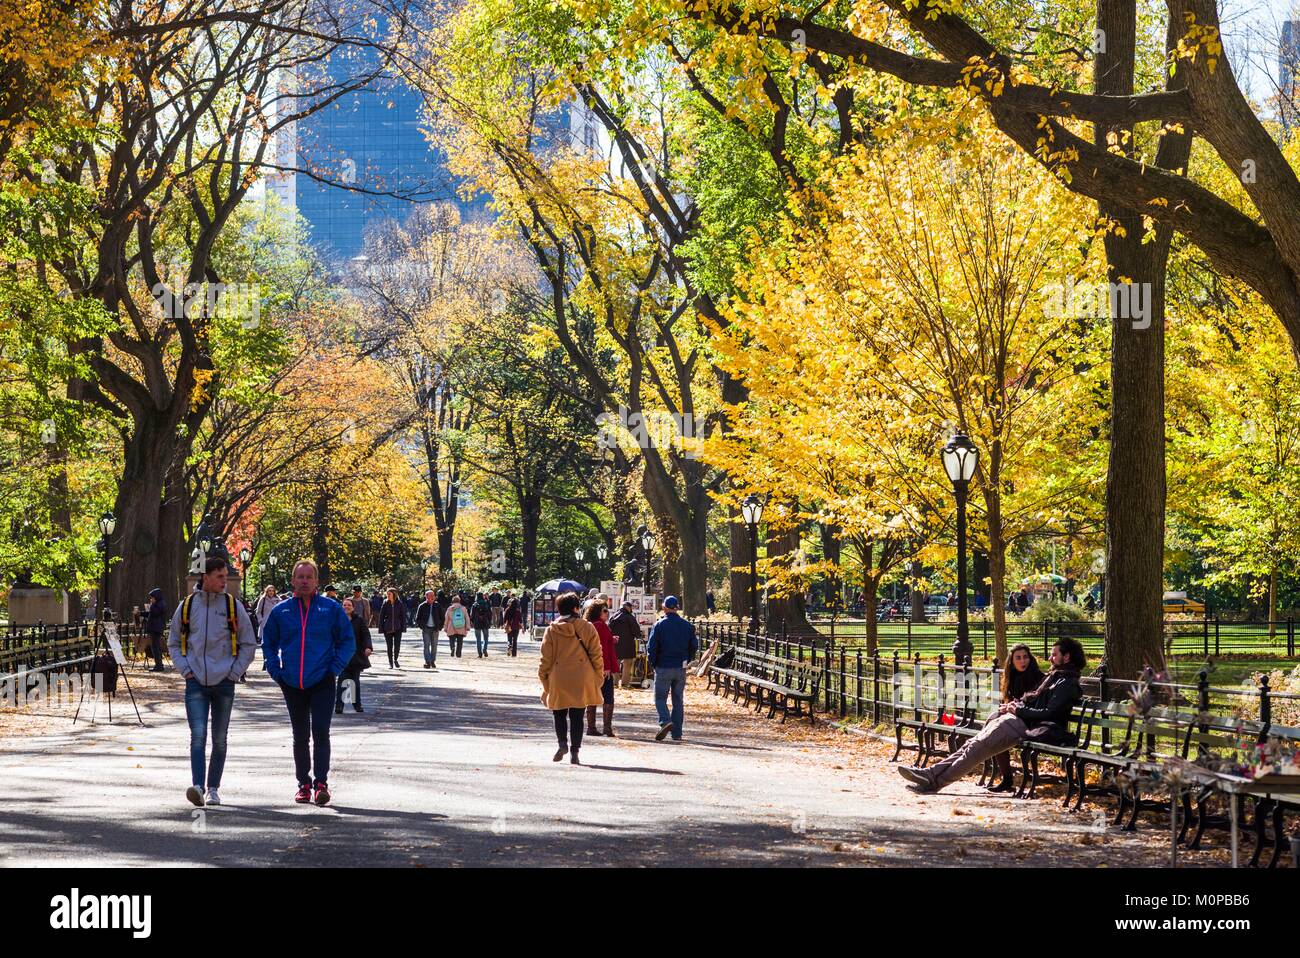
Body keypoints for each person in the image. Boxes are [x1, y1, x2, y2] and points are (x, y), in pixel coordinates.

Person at [898, 637, 1085, 794]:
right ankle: (929, 774)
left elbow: (1050, 713)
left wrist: (1017, 710)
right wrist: (1014, 706)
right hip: (1018, 721)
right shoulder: (1056, 677)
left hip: (1028, 726)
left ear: (1066, 657)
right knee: (972, 745)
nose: (1050, 658)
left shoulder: (1066, 683)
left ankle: (933, 783)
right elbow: (1035, 702)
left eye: (1054, 655)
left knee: (976, 749)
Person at [261, 559, 356, 805]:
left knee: (321, 732)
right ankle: (303, 783)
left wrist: (333, 669)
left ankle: (321, 783)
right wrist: (275, 670)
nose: (304, 581)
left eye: (308, 577)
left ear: (316, 581)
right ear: (293, 580)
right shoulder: (281, 611)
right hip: (291, 681)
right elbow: (268, 642)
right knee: (300, 735)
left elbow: (347, 641)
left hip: (322, 680)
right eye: (300, 577)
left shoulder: (331, 608)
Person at [168, 557, 257, 807]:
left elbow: (248, 642)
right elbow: (173, 641)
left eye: (225, 576)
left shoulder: (233, 606)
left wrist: (235, 672)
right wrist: (185, 670)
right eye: (219, 576)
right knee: (197, 736)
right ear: (205, 577)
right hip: (195, 681)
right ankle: (197, 786)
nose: (224, 581)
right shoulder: (187, 606)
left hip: (224, 682)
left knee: (219, 737)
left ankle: (213, 788)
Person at [538, 591, 604, 765]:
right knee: (577, 714)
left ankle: (562, 744)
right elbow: (596, 654)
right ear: (576, 608)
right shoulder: (587, 627)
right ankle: (575, 751)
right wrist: (598, 676)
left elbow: (546, 658)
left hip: (558, 676)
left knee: (558, 713)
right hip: (582, 676)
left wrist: (544, 679)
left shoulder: (551, 630)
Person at [986, 644, 1046, 792]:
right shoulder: (1010, 678)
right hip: (1015, 719)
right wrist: (1006, 707)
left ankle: (1004, 776)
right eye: (1018, 658)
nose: (1022, 661)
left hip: (1032, 723)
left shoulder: (1038, 678)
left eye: (1025, 657)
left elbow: (1033, 705)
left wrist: (1012, 708)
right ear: (1012, 661)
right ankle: (1006, 778)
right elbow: (1011, 701)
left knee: (996, 729)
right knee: (993, 721)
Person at [645, 596, 698, 742]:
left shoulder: (660, 625)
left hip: (663, 666)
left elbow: (652, 647)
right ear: (677, 608)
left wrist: (653, 663)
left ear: (665, 608)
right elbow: (694, 645)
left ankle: (665, 720)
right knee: (678, 700)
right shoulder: (687, 625)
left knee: (660, 698)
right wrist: (687, 659)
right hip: (680, 667)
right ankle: (677, 733)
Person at [583, 601, 621, 737]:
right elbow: (602, 649)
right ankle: (606, 728)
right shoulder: (601, 626)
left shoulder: (589, 625)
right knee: (608, 697)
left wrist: (612, 639)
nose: (607, 613)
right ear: (598, 612)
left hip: (591, 667)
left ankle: (591, 727)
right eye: (605, 610)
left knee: (592, 695)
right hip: (602, 668)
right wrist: (607, 667)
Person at [336, 598, 373, 714]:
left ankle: (357, 704)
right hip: (342, 655)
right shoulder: (337, 620)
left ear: (353, 607)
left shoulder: (359, 620)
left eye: (349, 605)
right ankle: (339, 706)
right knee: (343, 680)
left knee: (354, 681)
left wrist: (368, 647)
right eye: (344, 605)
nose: (346, 607)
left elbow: (366, 635)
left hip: (356, 655)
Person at [608, 598, 642, 689]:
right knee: (628, 664)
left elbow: (608, 629)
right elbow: (636, 631)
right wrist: (639, 636)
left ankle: (614, 683)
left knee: (615, 663)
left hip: (615, 644)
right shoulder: (630, 617)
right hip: (628, 645)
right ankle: (625, 683)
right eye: (631, 608)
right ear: (628, 607)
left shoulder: (613, 616)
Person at [379, 587, 406, 669]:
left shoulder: (399, 603)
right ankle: (390, 662)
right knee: (389, 646)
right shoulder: (385, 603)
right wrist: (381, 628)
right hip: (387, 627)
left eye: (389, 594)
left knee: (397, 646)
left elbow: (403, 616)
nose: (388, 595)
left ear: (394, 594)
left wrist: (403, 628)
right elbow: (381, 616)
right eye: (387, 594)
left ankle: (395, 659)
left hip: (397, 627)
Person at [144, 588, 170, 672]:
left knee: (155, 647)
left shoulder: (159, 605)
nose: (151, 599)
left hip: (156, 628)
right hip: (156, 628)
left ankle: (159, 665)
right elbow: (150, 613)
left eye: (152, 598)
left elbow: (154, 613)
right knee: (155, 646)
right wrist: (141, 613)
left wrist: (151, 605)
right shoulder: (158, 604)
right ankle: (158, 664)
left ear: (156, 597)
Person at [414, 590, 440, 670]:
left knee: (434, 646)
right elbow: (417, 618)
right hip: (426, 629)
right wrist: (422, 626)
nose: (432, 597)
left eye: (433, 596)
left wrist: (440, 627)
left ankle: (432, 661)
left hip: (435, 629)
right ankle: (427, 662)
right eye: (430, 596)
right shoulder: (422, 606)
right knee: (426, 645)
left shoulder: (437, 605)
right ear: (426, 597)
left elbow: (442, 617)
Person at [443, 593, 470, 658]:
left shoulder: (449, 609)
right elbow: (467, 618)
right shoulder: (463, 608)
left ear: (452, 601)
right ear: (459, 601)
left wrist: (445, 627)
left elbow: (446, 618)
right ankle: (458, 653)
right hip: (461, 627)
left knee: (451, 639)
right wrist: (467, 627)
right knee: (460, 641)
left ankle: (452, 648)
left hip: (451, 627)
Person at [471, 592, 492, 657]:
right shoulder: (486, 603)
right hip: (485, 622)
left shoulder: (475, 604)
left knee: (478, 639)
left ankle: (479, 653)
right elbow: (490, 614)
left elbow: (472, 615)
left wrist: (472, 622)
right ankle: (484, 649)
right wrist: (489, 621)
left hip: (477, 623)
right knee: (486, 638)